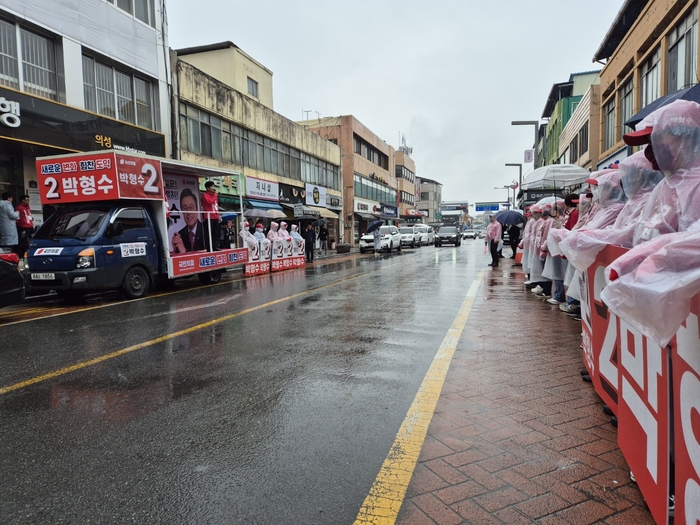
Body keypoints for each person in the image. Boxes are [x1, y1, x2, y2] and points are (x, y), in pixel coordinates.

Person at [171, 188, 204, 253]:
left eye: (191, 207)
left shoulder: (205, 230)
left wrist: (185, 251)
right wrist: (175, 249)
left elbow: (206, 254)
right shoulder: (181, 234)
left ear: (197, 209)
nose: (188, 212)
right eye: (185, 208)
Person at [201, 181, 220, 251]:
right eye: (212, 186)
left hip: (215, 216)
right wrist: (215, 195)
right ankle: (209, 248)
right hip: (209, 217)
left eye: (213, 186)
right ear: (208, 188)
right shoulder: (205, 195)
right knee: (209, 233)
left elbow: (216, 206)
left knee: (216, 233)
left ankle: (215, 246)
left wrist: (218, 215)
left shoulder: (214, 195)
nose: (213, 188)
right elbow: (209, 202)